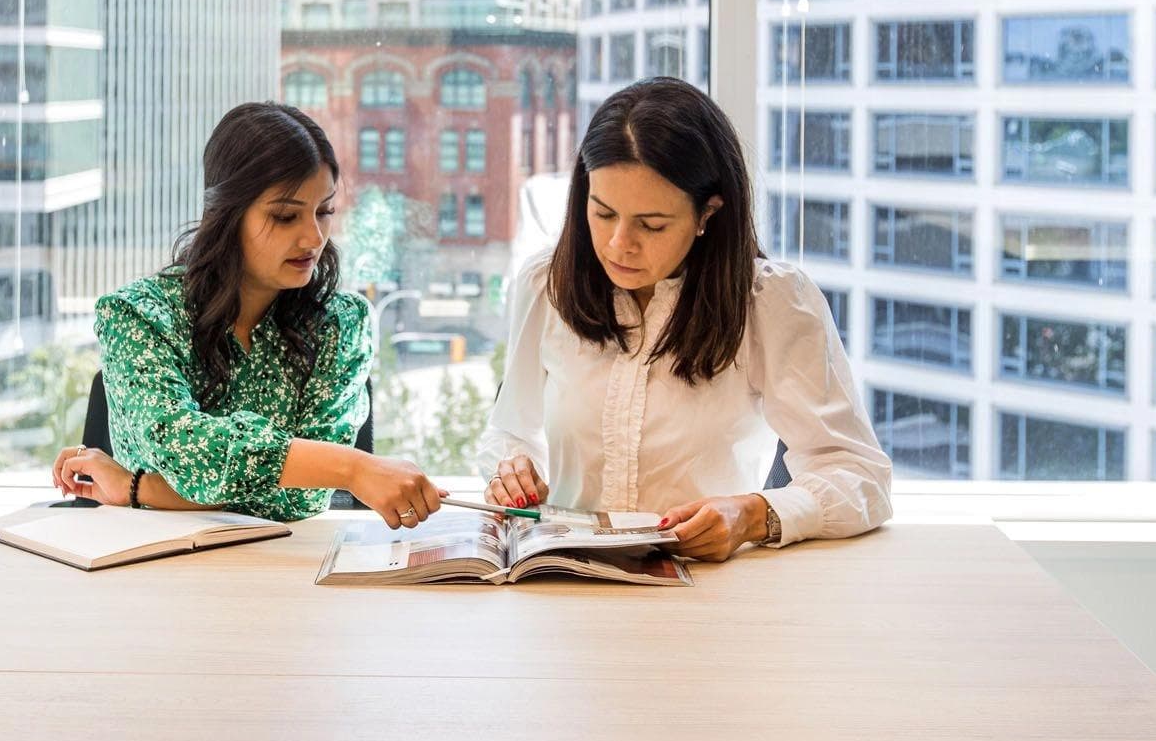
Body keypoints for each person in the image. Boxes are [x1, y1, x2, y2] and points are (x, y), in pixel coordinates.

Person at [483, 78, 891, 560]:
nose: (619, 244)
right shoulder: (545, 285)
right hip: (567, 583)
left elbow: (861, 477)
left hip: (707, 592)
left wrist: (754, 514)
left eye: (651, 225)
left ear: (708, 214)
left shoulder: (770, 301)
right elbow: (511, 430)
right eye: (603, 213)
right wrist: (512, 470)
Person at [52, 102, 442, 529]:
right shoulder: (137, 315)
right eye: (285, 215)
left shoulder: (341, 324)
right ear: (228, 214)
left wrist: (134, 489)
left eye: (324, 211)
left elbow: (304, 499)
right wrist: (349, 467)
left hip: (283, 567)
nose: (313, 236)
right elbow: (186, 450)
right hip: (150, 566)